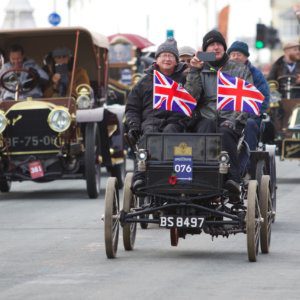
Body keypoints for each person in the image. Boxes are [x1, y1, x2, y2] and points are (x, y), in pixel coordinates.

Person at [185, 30, 253, 195]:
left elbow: (247, 100)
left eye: (219, 44)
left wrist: (235, 119)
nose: (215, 48)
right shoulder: (199, 69)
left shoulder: (240, 70)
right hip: (206, 116)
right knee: (204, 128)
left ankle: (233, 179)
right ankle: (202, 178)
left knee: (225, 132)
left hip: (231, 117)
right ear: (204, 50)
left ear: (224, 48)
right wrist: (194, 71)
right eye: (211, 45)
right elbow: (190, 97)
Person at [125, 38, 188, 190]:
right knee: (149, 134)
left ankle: (176, 175)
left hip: (176, 120)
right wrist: (133, 125)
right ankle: (141, 176)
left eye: (170, 56)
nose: (167, 59)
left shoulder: (185, 79)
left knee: (170, 133)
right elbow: (132, 108)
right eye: (163, 55)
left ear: (176, 61)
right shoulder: (145, 82)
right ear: (157, 59)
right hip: (151, 120)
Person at [227, 41, 270, 151]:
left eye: (239, 54)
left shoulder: (256, 75)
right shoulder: (224, 73)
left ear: (246, 57)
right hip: (227, 114)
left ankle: (248, 160)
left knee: (249, 124)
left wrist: (245, 116)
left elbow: (263, 98)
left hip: (250, 116)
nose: (235, 57)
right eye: (233, 54)